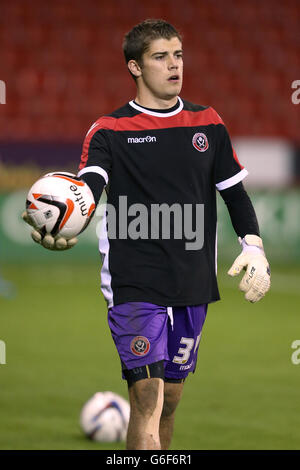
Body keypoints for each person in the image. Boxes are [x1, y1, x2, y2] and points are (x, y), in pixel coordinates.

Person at [22, 19, 271, 450]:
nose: (174, 65)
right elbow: (87, 191)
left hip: (192, 278)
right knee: (147, 395)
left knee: (170, 398)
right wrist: (64, 224)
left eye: (178, 55)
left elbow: (235, 194)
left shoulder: (207, 123)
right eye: (161, 57)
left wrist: (254, 245)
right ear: (135, 67)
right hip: (134, 277)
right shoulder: (109, 131)